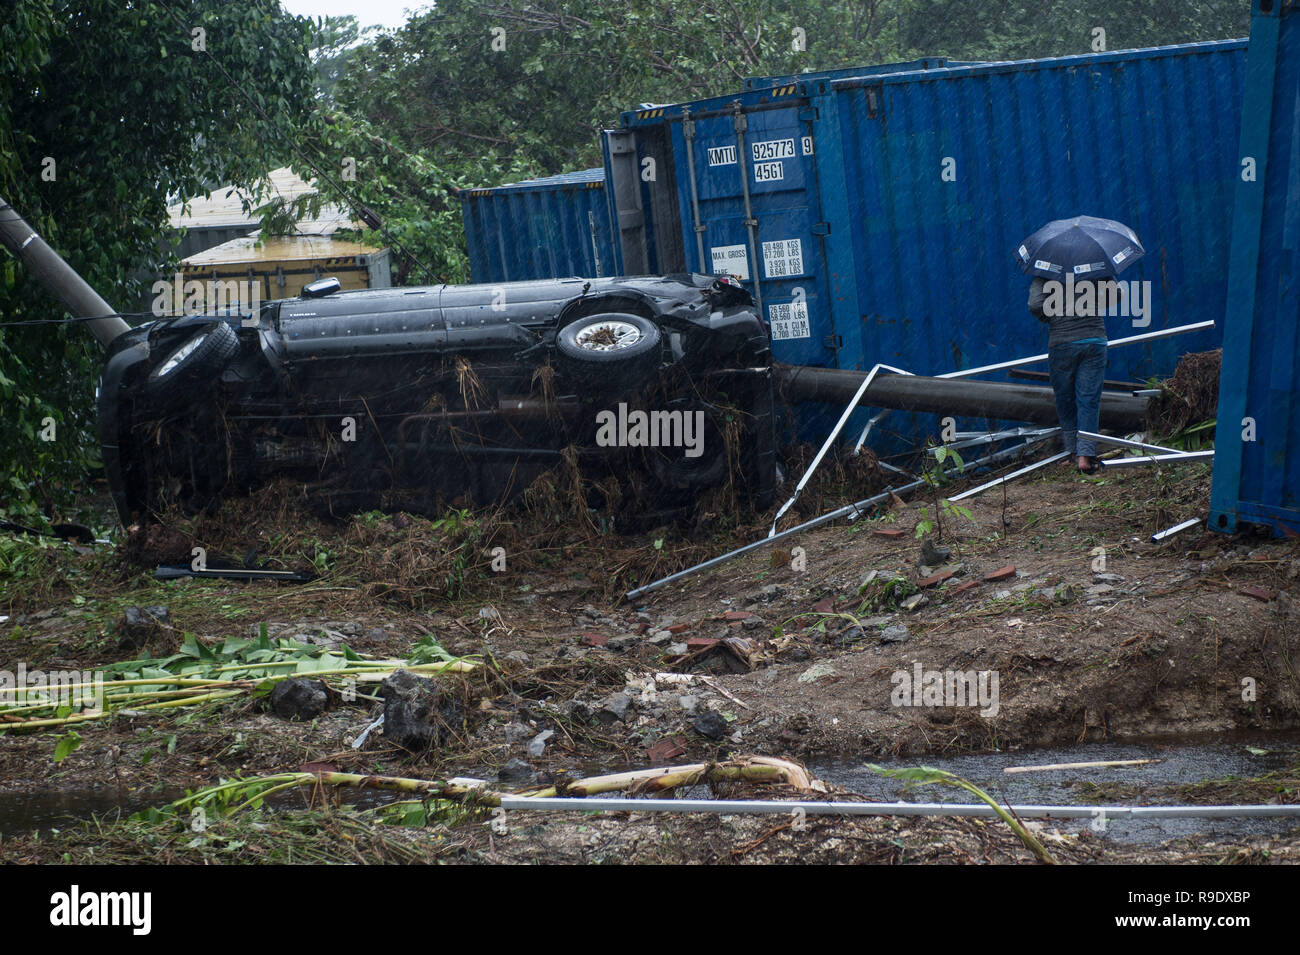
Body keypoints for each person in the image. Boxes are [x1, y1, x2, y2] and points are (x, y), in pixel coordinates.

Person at [1028, 275, 1111, 474]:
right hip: (1094, 339)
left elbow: (1035, 304)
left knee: (1065, 398)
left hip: (1062, 342)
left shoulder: (1047, 269)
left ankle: (1072, 451)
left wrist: (1055, 316)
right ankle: (1085, 455)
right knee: (1088, 399)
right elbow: (1115, 293)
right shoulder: (1096, 262)